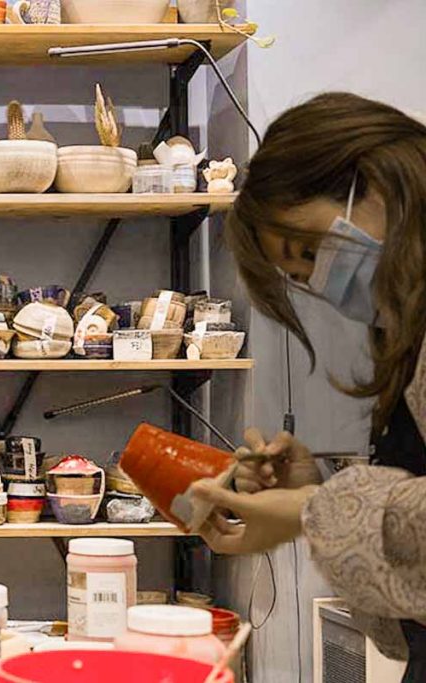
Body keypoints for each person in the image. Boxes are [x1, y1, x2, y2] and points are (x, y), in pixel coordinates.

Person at [185, 92, 426, 680]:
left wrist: (313, 511)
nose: (326, 282)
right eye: (304, 276)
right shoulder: (409, 336)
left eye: (312, 251)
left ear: (375, 182)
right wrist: (320, 482)